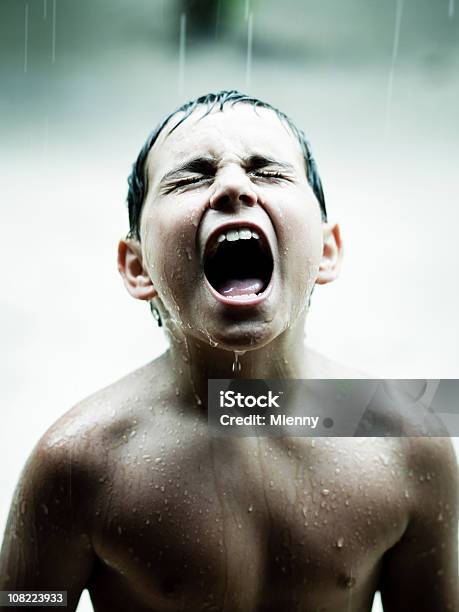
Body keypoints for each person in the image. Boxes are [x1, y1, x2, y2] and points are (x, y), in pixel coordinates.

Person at [1, 91, 457, 611]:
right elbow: (24, 602)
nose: (233, 186)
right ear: (137, 266)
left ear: (327, 251)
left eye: (268, 171)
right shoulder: (81, 464)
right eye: (192, 176)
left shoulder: (405, 443)